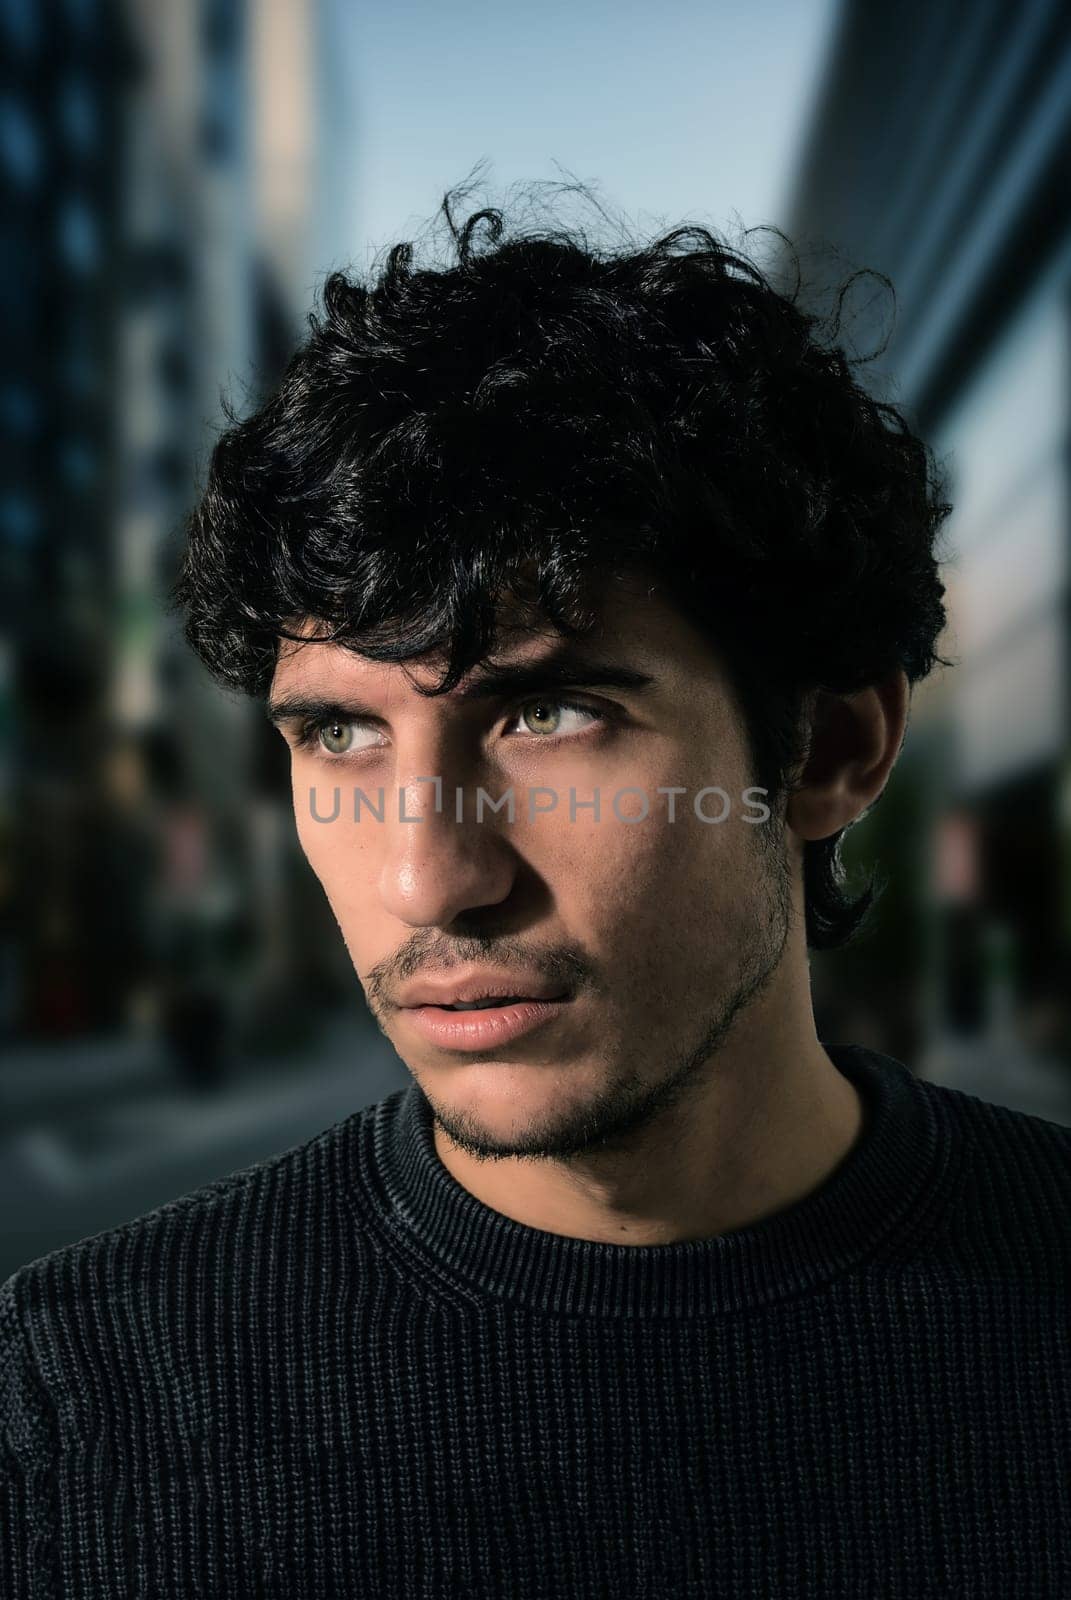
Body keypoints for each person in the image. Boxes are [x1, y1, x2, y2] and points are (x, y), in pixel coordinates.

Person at [2, 181, 1068, 1598]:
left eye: (549, 712)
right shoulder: (81, 1398)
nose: (427, 874)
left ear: (834, 748)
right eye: (340, 734)